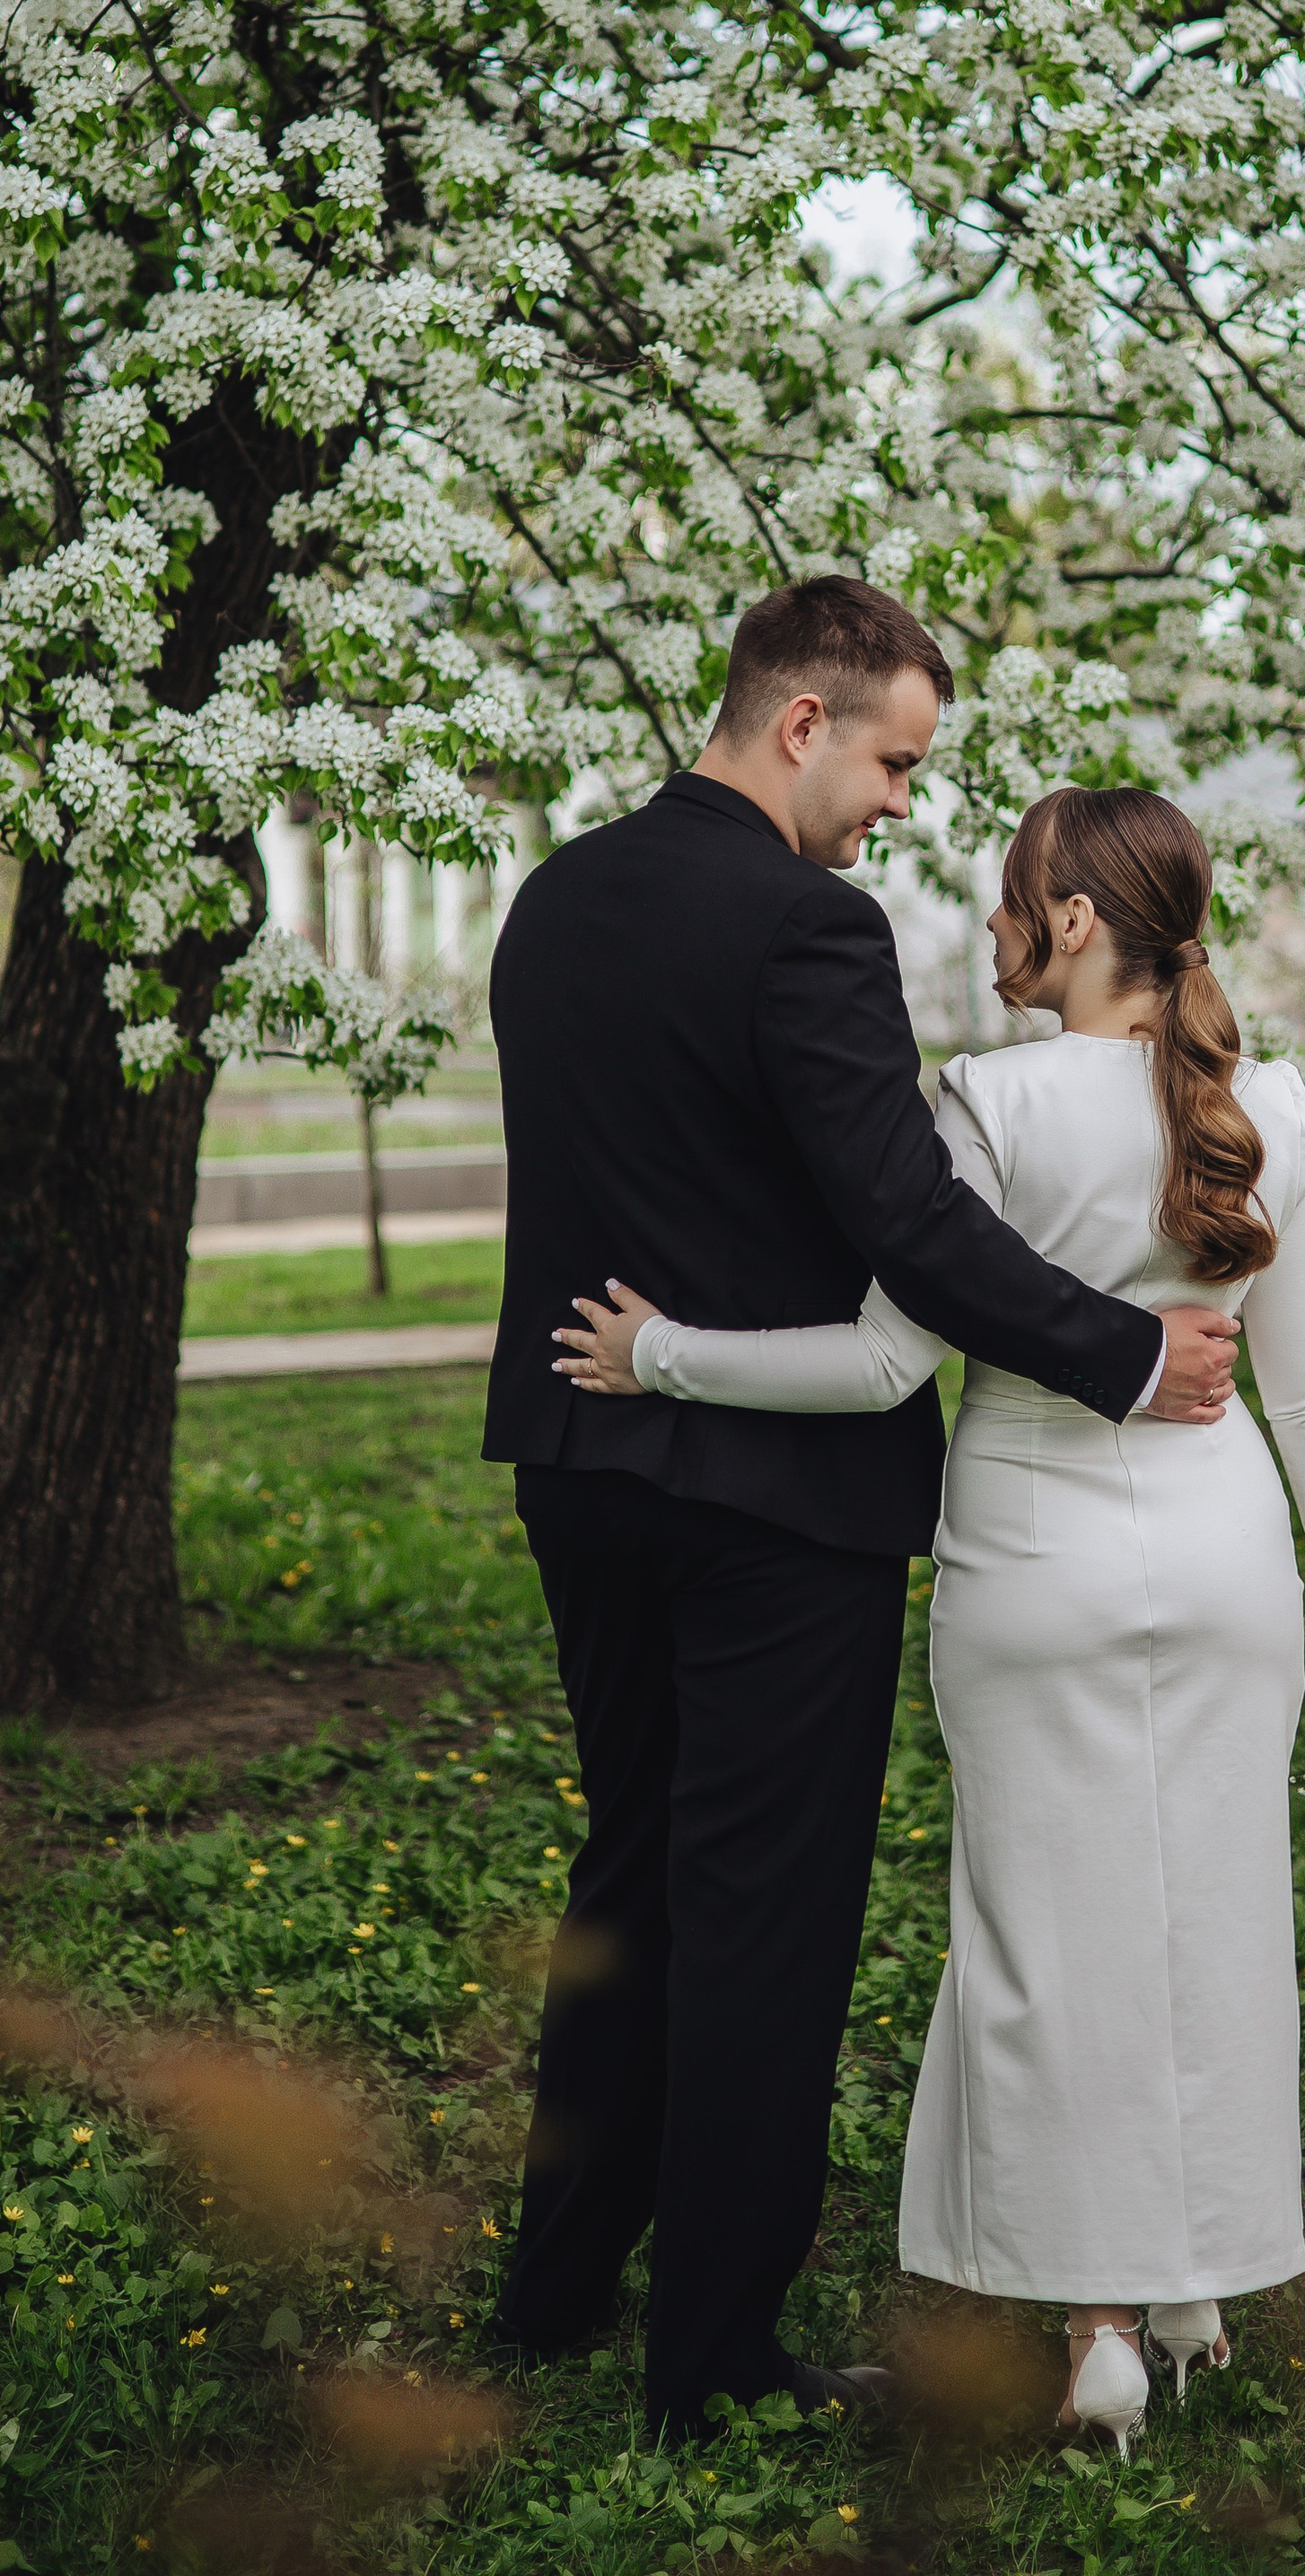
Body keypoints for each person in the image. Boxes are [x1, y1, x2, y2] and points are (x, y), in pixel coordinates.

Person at [556, 783, 1305, 2455]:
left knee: (1051, 1944)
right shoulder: (1275, 1107)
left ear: (1078, 923)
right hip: (1228, 1554)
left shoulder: (987, 1104)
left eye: (1014, 899)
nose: (995, 925)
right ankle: (1195, 2288)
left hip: (1031, 1563)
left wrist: (658, 1353)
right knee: (1213, 1918)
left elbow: (885, 1364)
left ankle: (1100, 2327)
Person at [484, 581, 1243, 2439]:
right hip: (776, 1502)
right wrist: (1128, 1358)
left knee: (632, 1880)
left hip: (582, 1464)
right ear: (800, 722)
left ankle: (557, 2293)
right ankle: (716, 2360)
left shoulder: (555, 899)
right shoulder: (799, 932)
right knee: (761, 1914)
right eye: (896, 760)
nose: (902, 802)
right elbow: (906, 1221)